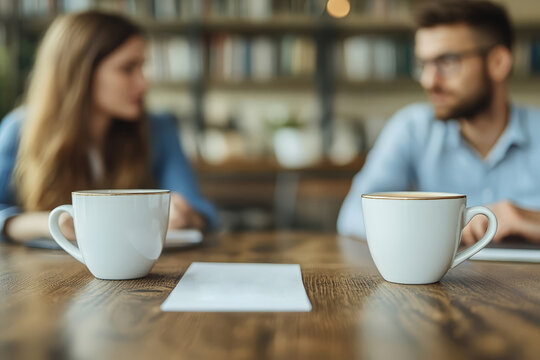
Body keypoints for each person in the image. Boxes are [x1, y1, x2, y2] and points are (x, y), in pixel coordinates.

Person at [0, 11, 218, 243]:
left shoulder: (159, 129)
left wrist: (188, 216)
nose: (144, 83)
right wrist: (50, 223)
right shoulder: (20, 130)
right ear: (79, 73)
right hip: (45, 274)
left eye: (143, 66)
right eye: (127, 68)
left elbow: (203, 212)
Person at [338, 0, 540, 244]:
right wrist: (445, 226)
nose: (428, 81)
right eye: (424, 64)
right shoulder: (411, 129)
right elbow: (352, 217)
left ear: (498, 63)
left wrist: (527, 218)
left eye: (447, 62)